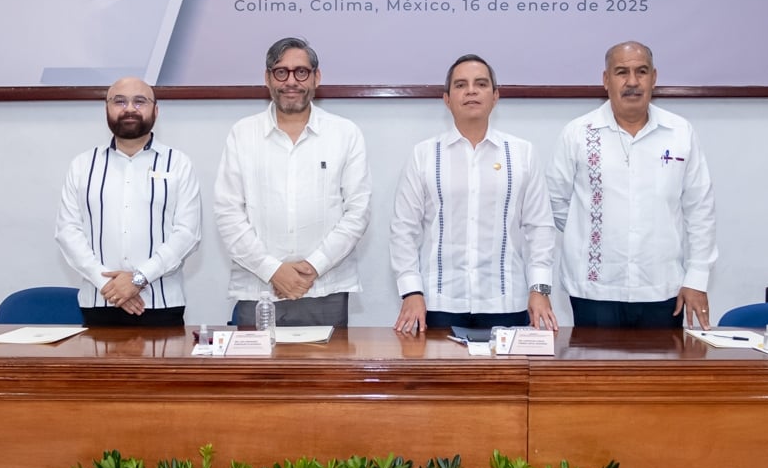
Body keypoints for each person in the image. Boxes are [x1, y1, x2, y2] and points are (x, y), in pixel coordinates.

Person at [547, 41, 717, 329]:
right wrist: (590, 231)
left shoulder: (679, 133)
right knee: (595, 374)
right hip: (594, 291)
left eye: (641, 71)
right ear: (605, 80)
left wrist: (697, 279)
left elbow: (700, 210)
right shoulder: (577, 133)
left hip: (663, 290)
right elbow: (556, 201)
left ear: (654, 77)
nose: (632, 82)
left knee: (659, 375)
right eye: (621, 72)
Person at [391, 54, 558, 333]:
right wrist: (411, 292)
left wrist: (539, 288)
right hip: (437, 303)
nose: (471, 90)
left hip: (507, 302)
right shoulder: (424, 155)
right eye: (460, 85)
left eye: (480, 84)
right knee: (440, 378)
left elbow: (540, 227)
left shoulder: (521, 153)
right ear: (446, 99)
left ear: (495, 96)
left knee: (507, 378)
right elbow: (403, 230)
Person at [213, 37, 371, 327]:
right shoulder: (242, 134)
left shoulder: (345, 133)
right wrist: (273, 271)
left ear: (316, 77)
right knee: (257, 374)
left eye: (301, 72)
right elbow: (228, 213)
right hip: (258, 289)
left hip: (325, 288)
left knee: (326, 374)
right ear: (267, 78)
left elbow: (358, 212)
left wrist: (313, 267)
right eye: (281, 72)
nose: (291, 81)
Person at [55, 77, 201, 327]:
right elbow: (68, 232)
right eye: (119, 101)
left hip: (161, 303)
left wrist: (138, 279)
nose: (130, 109)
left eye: (140, 101)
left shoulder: (178, 164)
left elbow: (187, 234)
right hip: (99, 302)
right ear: (107, 109)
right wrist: (108, 286)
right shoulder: (83, 165)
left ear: (155, 110)